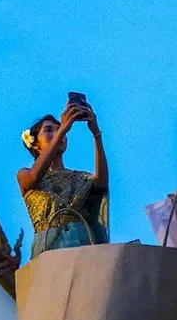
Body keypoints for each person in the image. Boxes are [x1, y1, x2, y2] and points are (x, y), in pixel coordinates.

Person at [18, 99, 109, 260]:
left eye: (59, 130)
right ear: (36, 145)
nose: (57, 134)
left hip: (82, 242)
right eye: (48, 130)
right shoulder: (25, 174)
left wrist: (96, 133)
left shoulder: (80, 177)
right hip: (49, 246)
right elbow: (33, 177)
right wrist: (63, 129)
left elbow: (101, 183)